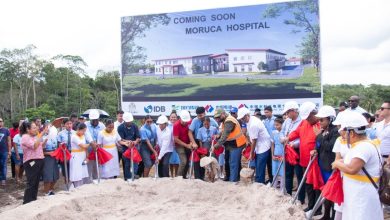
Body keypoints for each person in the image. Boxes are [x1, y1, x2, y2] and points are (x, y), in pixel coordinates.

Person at [332, 112, 383, 220]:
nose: (344, 136)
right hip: (357, 195)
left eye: (345, 132)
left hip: (362, 196)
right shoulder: (363, 145)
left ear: (352, 133)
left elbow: (352, 169)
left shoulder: (363, 147)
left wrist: (337, 163)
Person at [288, 102, 321, 215]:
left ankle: (317, 208)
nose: (308, 120)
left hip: (315, 162)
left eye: (309, 117)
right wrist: (288, 138)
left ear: (314, 113)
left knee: (316, 185)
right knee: (308, 184)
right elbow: (296, 132)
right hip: (304, 160)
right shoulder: (304, 122)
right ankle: (310, 205)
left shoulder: (320, 124)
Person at [311, 105, 339, 220]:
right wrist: (314, 150)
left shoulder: (335, 132)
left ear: (330, 119)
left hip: (331, 167)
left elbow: (331, 147)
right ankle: (326, 214)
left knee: (332, 192)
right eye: (319, 119)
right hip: (323, 166)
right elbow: (318, 145)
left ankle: (333, 216)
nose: (320, 122)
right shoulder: (323, 131)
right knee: (326, 192)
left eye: (322, 120)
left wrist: (319, 136)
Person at [238, 107, 271, 184]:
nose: (242, 120)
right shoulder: (251, 119)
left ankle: (259, 184)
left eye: (243, 118)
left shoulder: (253, 124)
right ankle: (259, 182)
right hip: (259, 146)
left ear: (247, 115)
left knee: (260, 169)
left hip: (263, 147)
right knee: (258, 167)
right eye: (241, 119)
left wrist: (251, 153)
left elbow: (254, 141)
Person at [212, 109, 246, 182]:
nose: (217, 119)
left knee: (233, 163)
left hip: (237, 144)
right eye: (216, 118)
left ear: (223, 114)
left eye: (218, 117)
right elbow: (224, 131)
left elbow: (225, 135)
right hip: (230, 144)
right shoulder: (226, 119)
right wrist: (219, 134)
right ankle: (234, 178)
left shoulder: (229, 121)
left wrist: (216, 146)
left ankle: (233, 181)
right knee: (230, 162)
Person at [280, 101, 304, 204]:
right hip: (287, 150)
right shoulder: (287, 121)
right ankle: (288, 195)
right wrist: (282, 138)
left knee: (299, 174)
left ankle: (301, 198)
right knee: (288, 173)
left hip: (297, 151)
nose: (287, 115)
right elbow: (282, 132)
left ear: (293, 111)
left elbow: (303, 138)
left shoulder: (302, 121)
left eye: (288, 112)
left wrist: (295, 144)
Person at [20, 121, 46, 204]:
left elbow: (40, 146)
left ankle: (33, 199)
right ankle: (27, 201)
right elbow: (34, 146)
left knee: (36, 181)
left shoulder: (34, 136)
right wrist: (41, 134)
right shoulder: (25, 137)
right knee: (31, 182)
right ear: (28, 129)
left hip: (39, 160)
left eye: (36, 127)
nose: (36, 129)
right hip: (31, 161)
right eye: (34, 127)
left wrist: (45, 141)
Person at [117, 112, 140, 181]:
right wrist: (128, 142)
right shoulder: (120, 127)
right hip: (125, 148)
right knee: (127, 163)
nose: (129, 122)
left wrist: (135, 142)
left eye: (130, 121)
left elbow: (138, 137)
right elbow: (121, 139)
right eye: (128, 121)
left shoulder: (135, 126)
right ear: (124, 121)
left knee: (135, 162)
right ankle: (127, 178)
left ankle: (134, 175)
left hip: (134, 147)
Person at [174, 110, 195, 179]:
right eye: (183, 121)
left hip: (188, 143)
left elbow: (191, 132)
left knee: (188, 161)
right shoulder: (176, 125)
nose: (185, 122)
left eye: (186, 121)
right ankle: (178, 177)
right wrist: (186, 145)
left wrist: (192, 142)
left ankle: (184, 176)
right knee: (183, 161)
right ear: (180, 118)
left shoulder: (190, 121)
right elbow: (176, 139)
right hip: (179, 145)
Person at [85, 109, 105, 181]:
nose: (95, 121)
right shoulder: (86, 125)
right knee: (88, 166)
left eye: (96, 120)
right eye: (93, 120)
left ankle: (96, 179)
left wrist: (99, 144)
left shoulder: (102, 125)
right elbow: (87, 135)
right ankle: (87, 182)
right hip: (88, 148)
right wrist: (92, 143)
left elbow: (103, 135)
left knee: (97, 167)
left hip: (98, 147)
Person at [69, 123, 90, 188]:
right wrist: (91, 144)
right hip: (76, 156)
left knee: (82, 173)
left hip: (82, 155)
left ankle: (81, 187)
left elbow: (85, 148)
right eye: (83, 131)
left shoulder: (83, 136)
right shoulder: (74, 136)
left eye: (85, 131)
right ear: (78, 129)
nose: (84, 132)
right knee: (77, 173)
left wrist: (87, 157)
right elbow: (83, 145)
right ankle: (75, 187)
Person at [57, 118, 75, 186]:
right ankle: (67, 184)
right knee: (65, 170)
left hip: (73, 153)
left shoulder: (75, 133)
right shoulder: (60, 134)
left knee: (73, 169)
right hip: (64, 153)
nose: (69, 125)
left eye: (70, 123)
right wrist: (62, 146)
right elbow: (59, 145)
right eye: (67, 124)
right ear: (64, 125)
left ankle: (74, 185)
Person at [42, 124, 59, 196]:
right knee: (48, 176)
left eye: (50, 127)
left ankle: (51, 190)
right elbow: (39, 151)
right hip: (46, 158)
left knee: (55, 175)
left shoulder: (54, 137)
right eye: (47, 127)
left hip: (55, 157)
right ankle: (46, 192)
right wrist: (48, 153)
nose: (49, 129)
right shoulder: (41, 137)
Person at [271, 117, 284, 190]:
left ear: (282, 125)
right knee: (274, 172)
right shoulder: (273, 133)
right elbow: (272, 144)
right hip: (275, 155)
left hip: (282, 155)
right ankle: (274, 189)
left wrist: (284, 156)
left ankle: (282, 190)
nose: (276, 127)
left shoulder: (284, 133)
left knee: (282, 174)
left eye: (278, 125)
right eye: (275, 125)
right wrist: (272, 155)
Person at [264, 105, 276, 183]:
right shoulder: (265, 121)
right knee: (269, 162)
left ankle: (276, 179)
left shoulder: (275, 120)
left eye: (267, 112)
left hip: (276, 144)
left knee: (274, 162)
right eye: (265, 112)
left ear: (271, 112)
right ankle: (271, 179)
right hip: (268, 144)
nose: (265, 114)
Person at [0, 117, 11, 186]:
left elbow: (9, 140)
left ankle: (3, 179)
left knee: (3, 165)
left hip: (4, 150)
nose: (0, 123)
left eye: (1, 121)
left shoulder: (6, 130)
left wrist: (9, 150)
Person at [168, 112, 180, 177]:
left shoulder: (178, 125)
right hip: (170, 146)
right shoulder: (167, 126)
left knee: (177, 161)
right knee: (171, 161)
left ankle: (176, 175)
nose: (173, 118)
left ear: (177, 118)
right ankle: (172, 175)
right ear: (169, 118)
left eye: (174, 117)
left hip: (177, 145)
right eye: (172, 117)